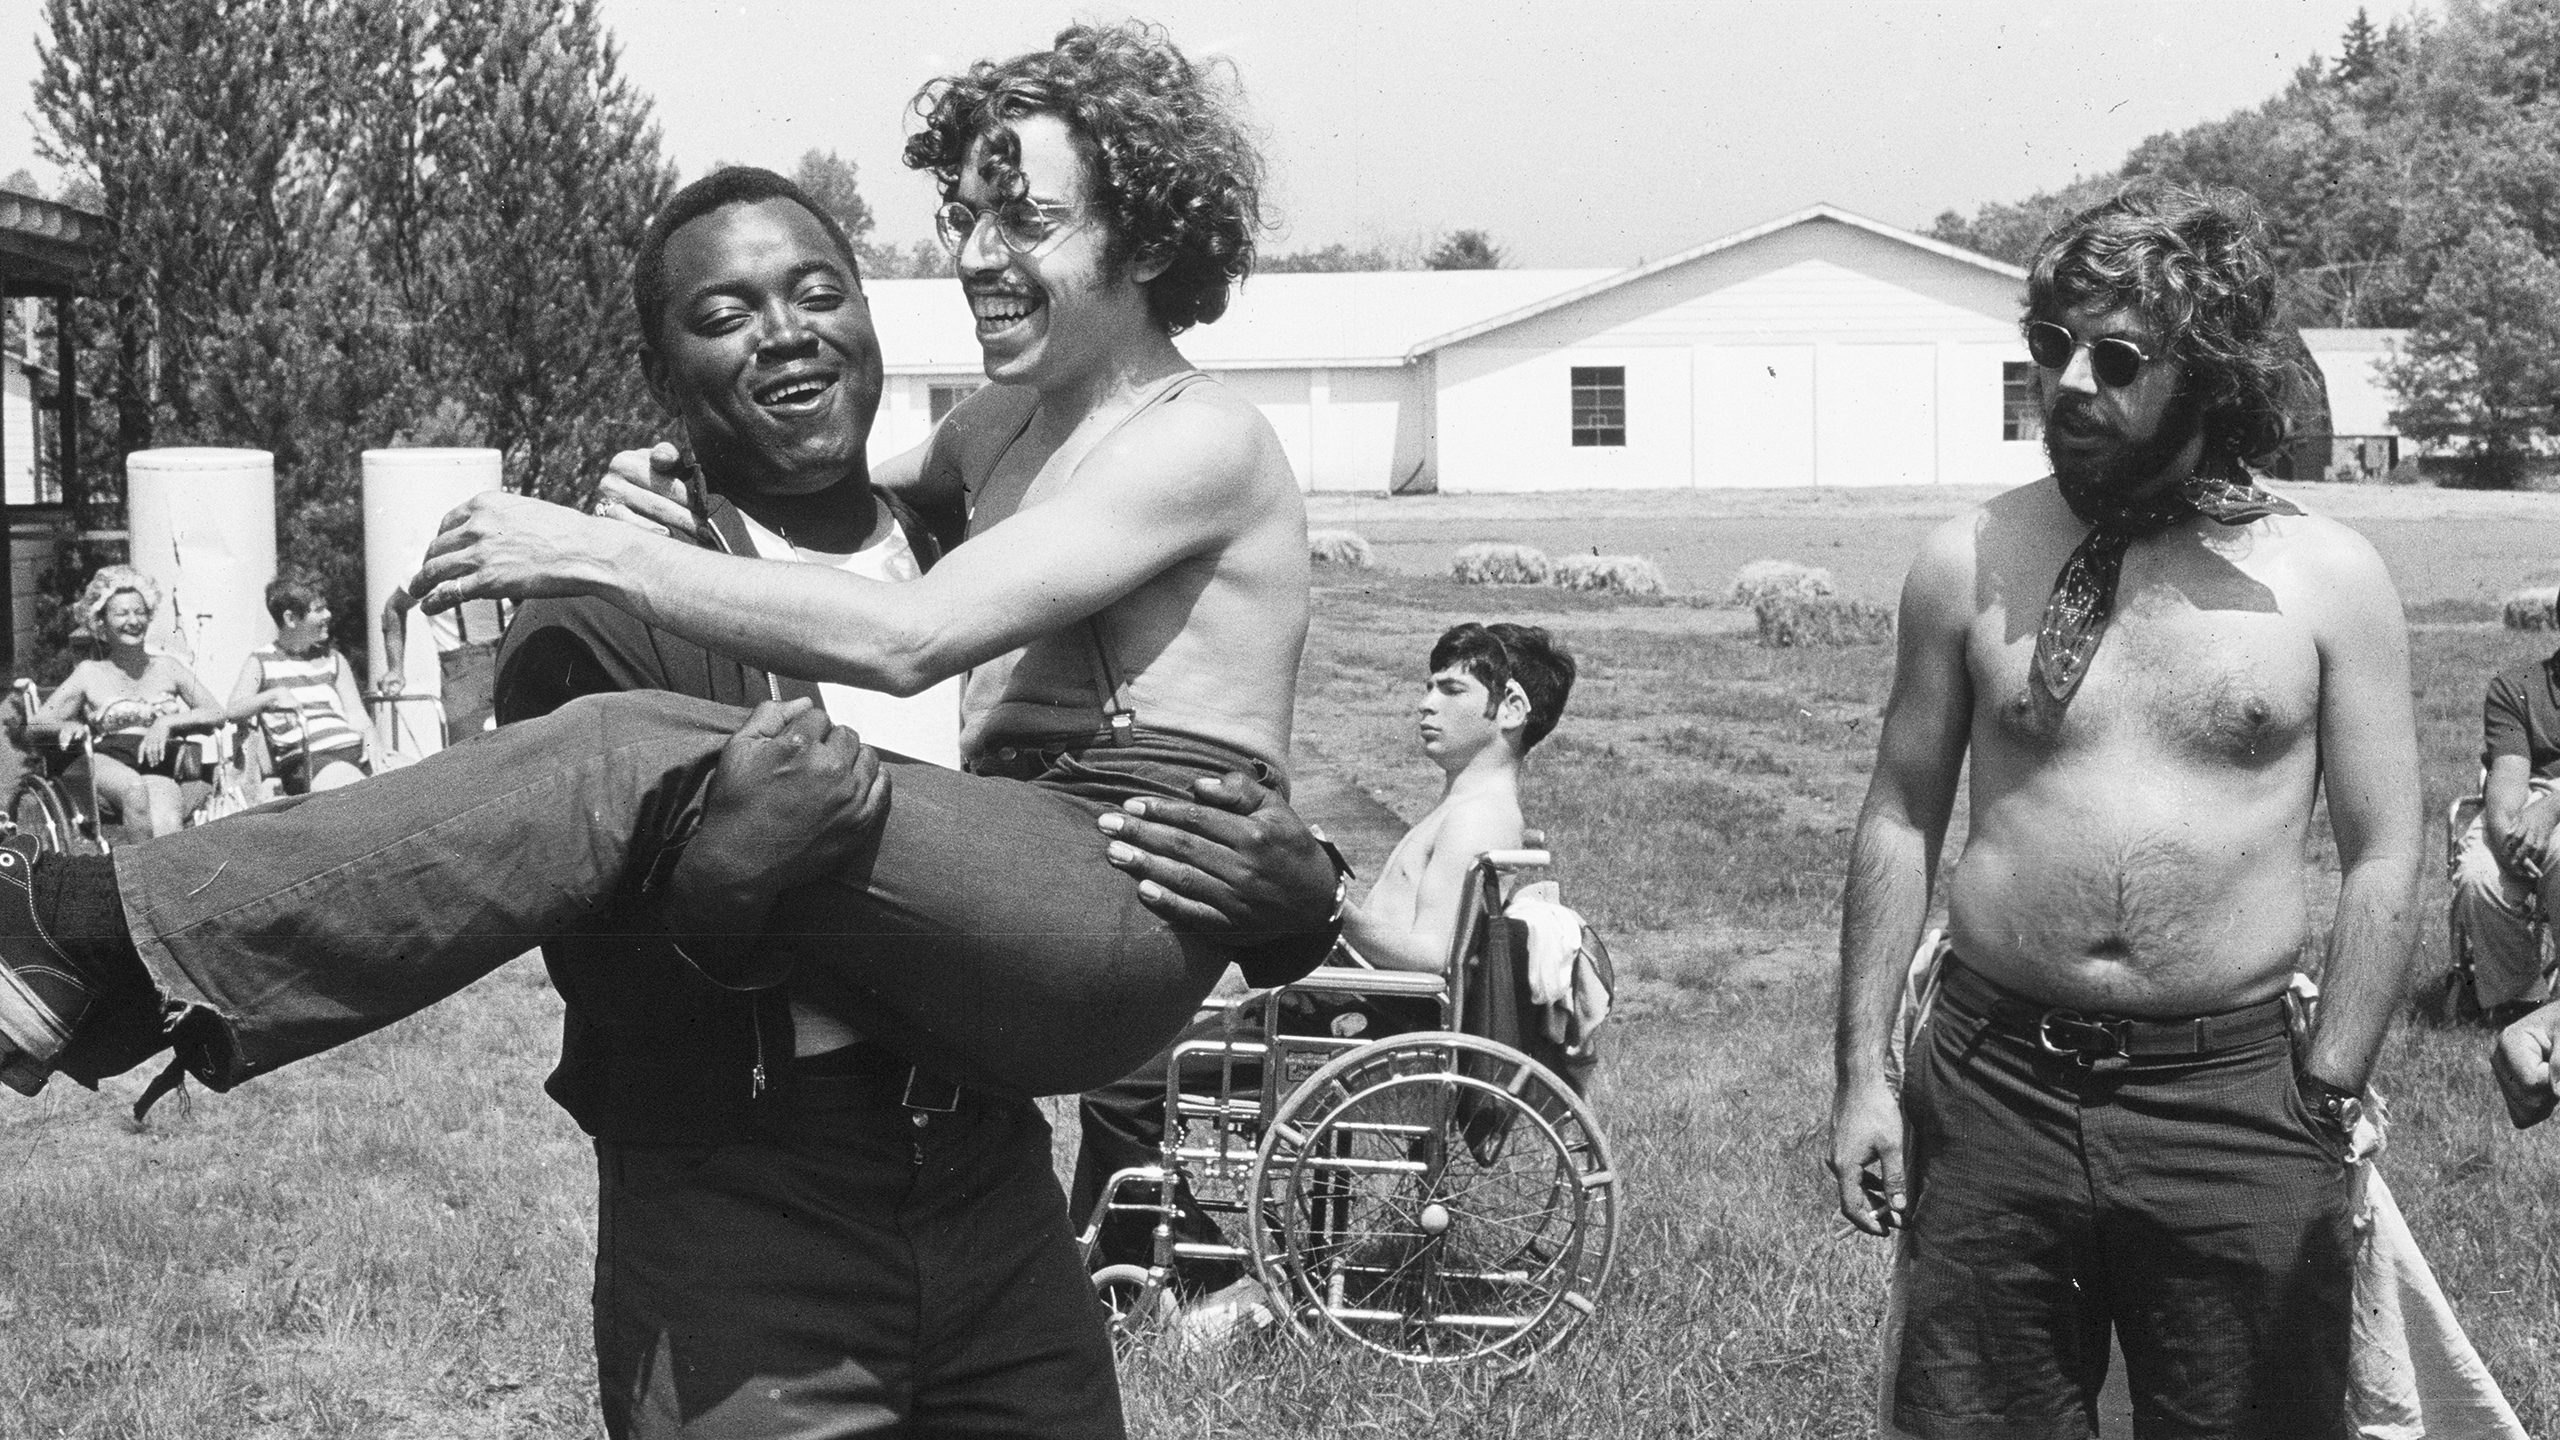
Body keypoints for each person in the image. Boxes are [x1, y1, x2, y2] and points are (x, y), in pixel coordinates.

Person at [507, 153, 1338, 1438]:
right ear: (667, 377)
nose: (786, 333)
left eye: (818, 291)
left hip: (996, 1199)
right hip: (748, 1229)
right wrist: (727, 881)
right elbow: (598, 974)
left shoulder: (974, 549)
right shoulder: (616, 605)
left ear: (868, 318)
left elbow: (1115, 796)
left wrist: (1295, 898)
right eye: (724, 314)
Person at [1827, 180, 2421, 1440]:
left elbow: (2384, 852)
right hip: (1994, 1092)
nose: (2069, 384)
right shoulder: (1967, 562)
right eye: (2049, 348)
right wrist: (1864, 1078)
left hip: (2233, 1103)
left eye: (2117, 358)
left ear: (2206, 373)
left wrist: (2325, 1085)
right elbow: (1896, 818)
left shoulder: (2326, 578)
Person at [1071, 621, 1575, 1318]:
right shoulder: (1465, 808)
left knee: (1118, 1086)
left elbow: (1430, 956)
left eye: (1451, 688)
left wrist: (1328, 895)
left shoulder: (1477, 819)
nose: (1426, 702)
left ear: (1512, 710)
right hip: (1354, 1014)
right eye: (1428, 686)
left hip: (1365, 1031)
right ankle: (1105, 1276)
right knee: (1128, 1071)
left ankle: (1198, 1287)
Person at [30, 566, 243, 837]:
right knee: (133, 789)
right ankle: (134, 876)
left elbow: (216, 712)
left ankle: (166, 878)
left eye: (139, 612)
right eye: (121, 613)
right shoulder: (90, 672)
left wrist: (167, 722)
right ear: (101, 621)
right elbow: (37, 724)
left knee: (166, 817)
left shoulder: (168, 667)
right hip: (106, 759)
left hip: (156, 763)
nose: (133, 621)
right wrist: (64, 727)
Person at [2449, 606, 2560, 1022]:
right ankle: (2522, 1004)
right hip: (2525, 799)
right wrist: (2504, 832)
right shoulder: (2517, 687)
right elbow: (2509, 770)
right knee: (2479, 875)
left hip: (2551, 807)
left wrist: (2551, 810)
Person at [231, 569, 378, 794]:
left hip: (355, 751)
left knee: (413, 776)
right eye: (319, 610)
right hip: (308, 761)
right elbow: (232, 709)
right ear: (290, 619)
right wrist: (272, 696)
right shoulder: (261, 661)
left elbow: (357, 715)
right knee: (360, 790)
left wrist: (371, 738)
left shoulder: (333, 659)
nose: (328, 614)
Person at [377, 584, 506, 740]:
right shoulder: (427, 566)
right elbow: (394, 606)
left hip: (512, 655)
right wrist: (395, 669)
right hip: (461, 672)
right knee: (469, 749)